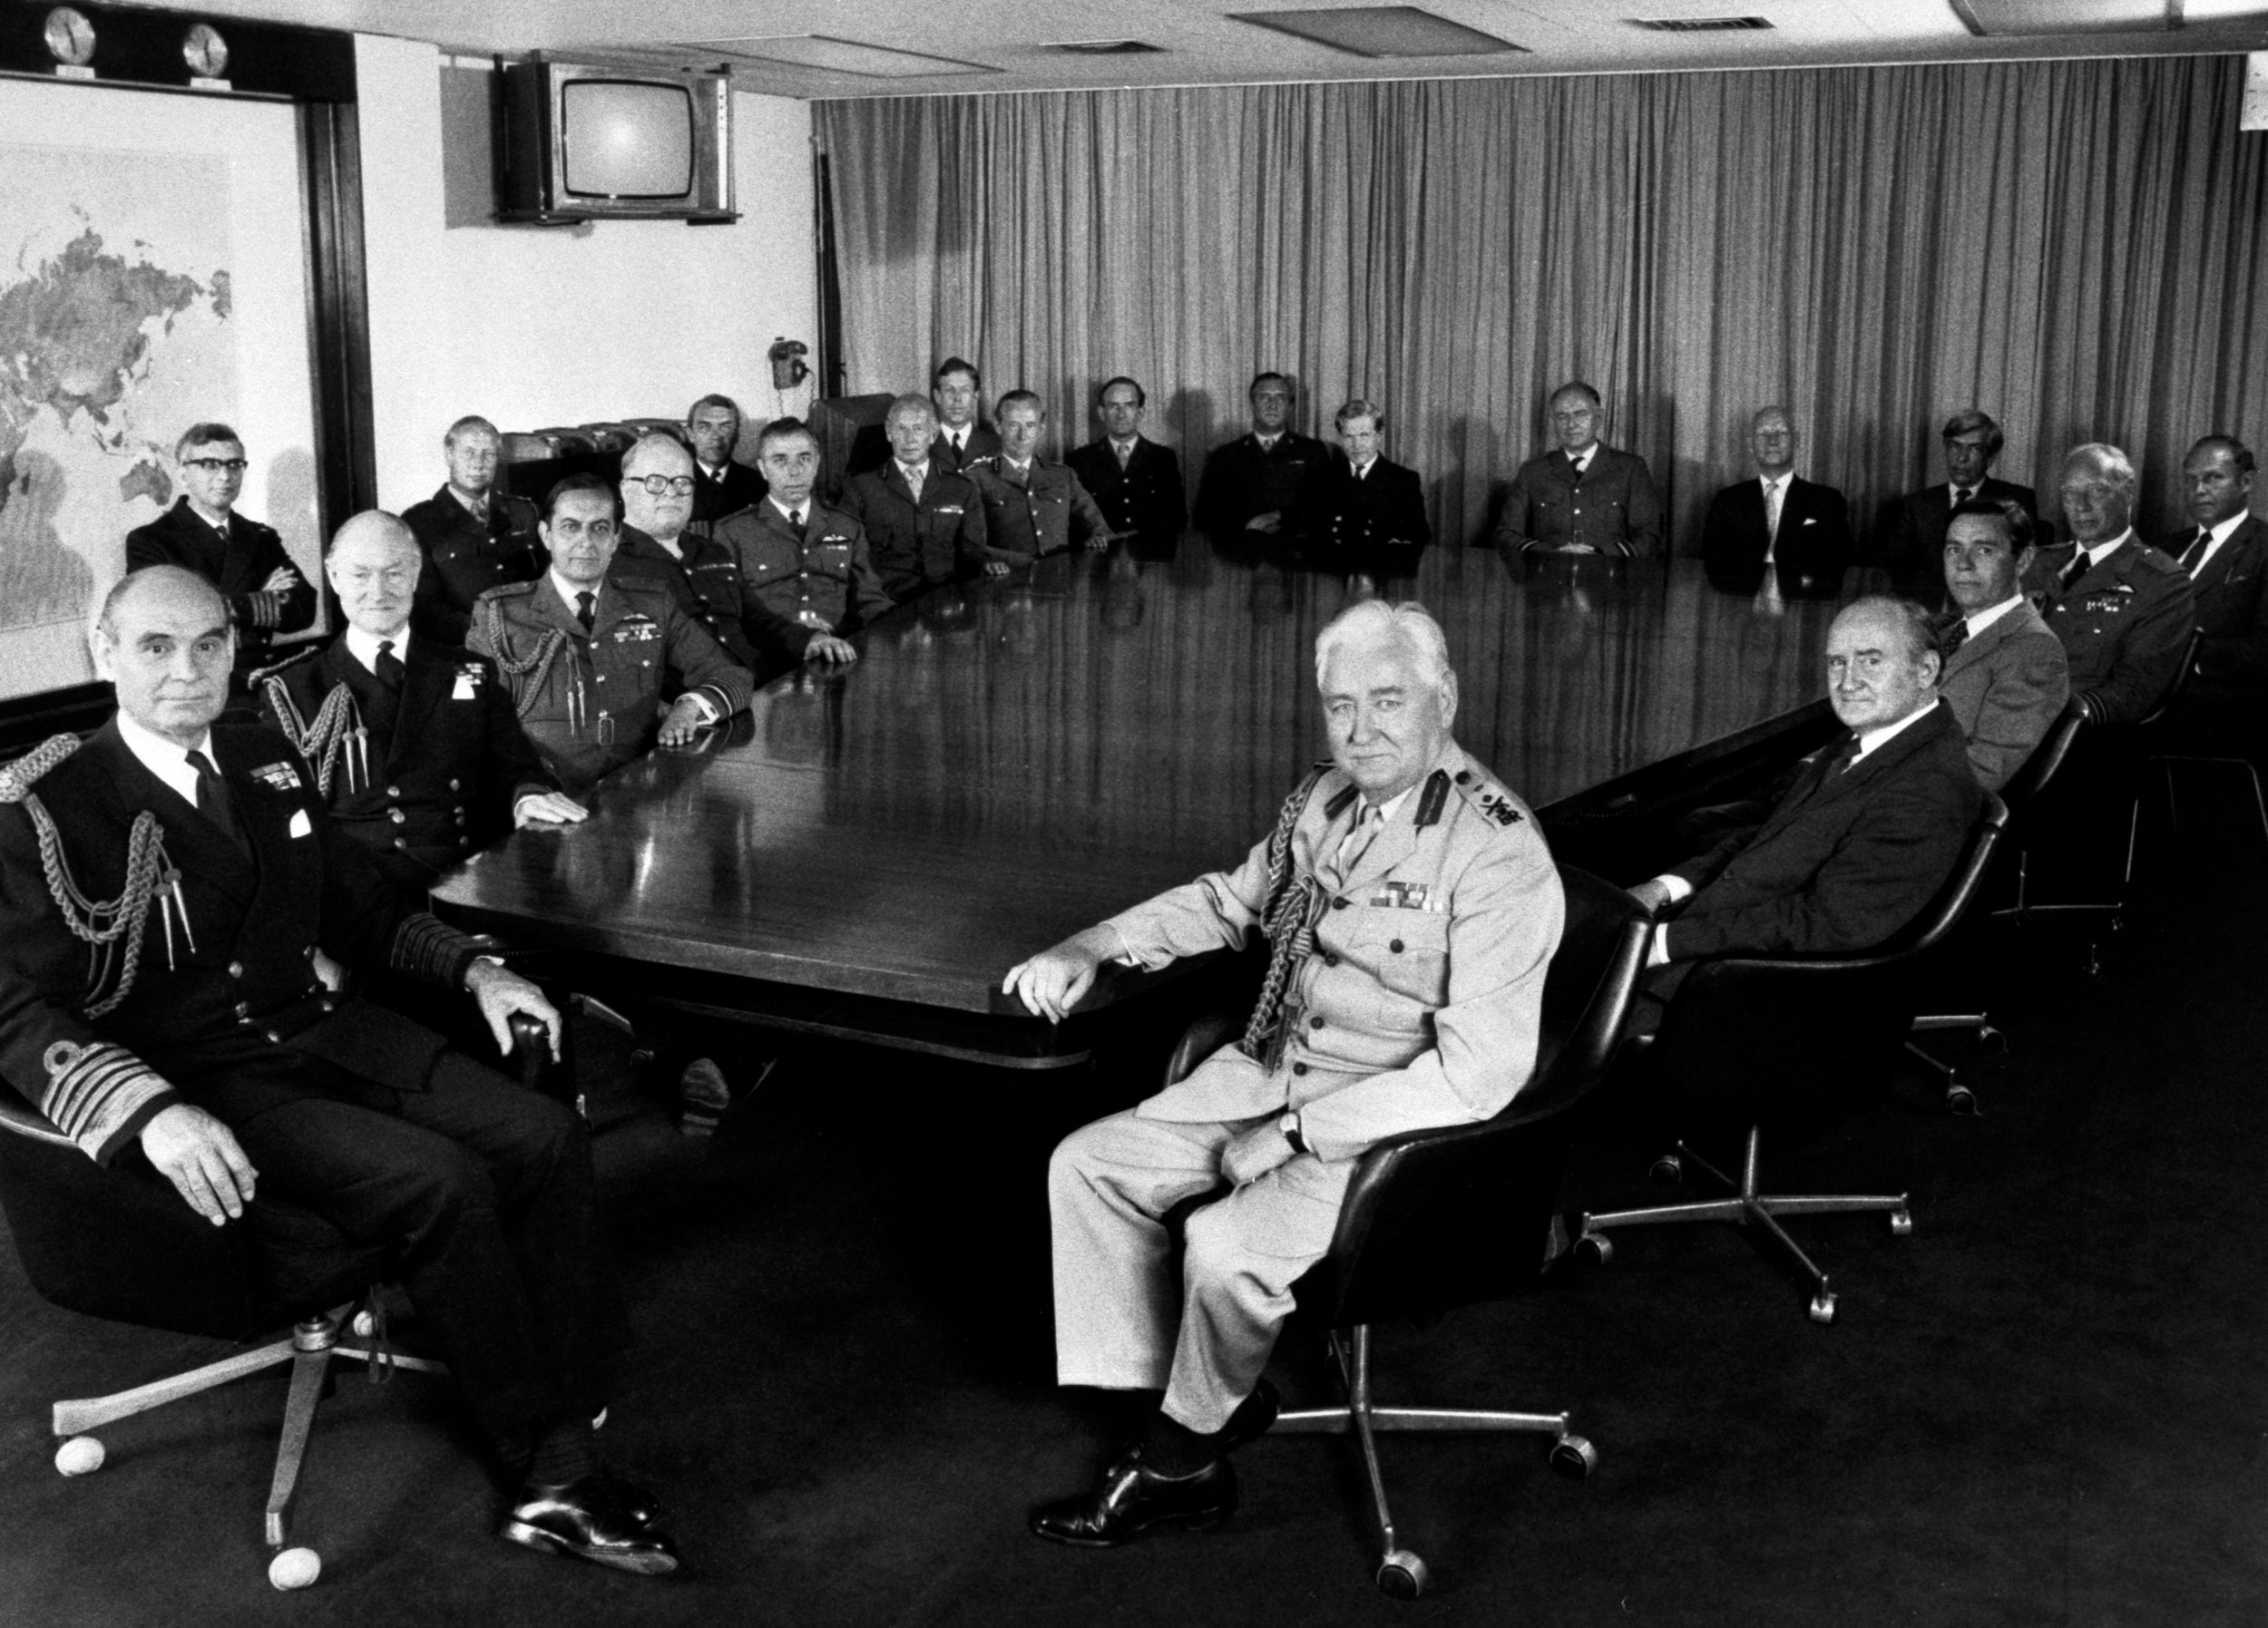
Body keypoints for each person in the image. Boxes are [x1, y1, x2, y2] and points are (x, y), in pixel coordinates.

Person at [0, 565, 676, 1574]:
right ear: (104, 653)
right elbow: (11, 1005)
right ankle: (548, 1480)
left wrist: (475, 969)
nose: (186, 671)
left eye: (208, 646)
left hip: (323, 1031)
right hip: (207, 1081)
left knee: (539, 1131)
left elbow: (355, 905)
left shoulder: (264, 755)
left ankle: (568, 1388)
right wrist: (147, 1112)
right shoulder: (44, 807)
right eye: (154, 647)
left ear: (234, 649)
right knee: (438, 1182)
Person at [1006, 600, 1563, 1547]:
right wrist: (1092, 945)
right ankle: (1190, 1406)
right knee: (1086, 1165)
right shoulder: (1323, 798)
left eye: (1388, 701)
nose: (1361, 730)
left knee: (1225, 1250)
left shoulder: (1496, 851)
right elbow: (1230, 901)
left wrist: (1299, 1134)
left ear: (1445, 700)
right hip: (1270, 1068)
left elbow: (1475, 1078)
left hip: (1387, 1121)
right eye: (1340, 706)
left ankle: (1177, 1463)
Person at [1629, 596, 1985, 997]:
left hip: (1735, 986)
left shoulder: (1926, 789)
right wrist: (1665, 886)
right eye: (1837, 662)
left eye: (1871, 661)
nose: (1847, 682)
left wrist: (1663, 944)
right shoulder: (1871, 738)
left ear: (1925, 670)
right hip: (1715, 935)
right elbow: (1772, 836)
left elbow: (1824, 923)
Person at [253, 512, 584, 904]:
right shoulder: (294, 690)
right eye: (360, 575)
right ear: (333, 576)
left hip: (468, 882)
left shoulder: (469, 670)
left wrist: (527, 798)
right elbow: (284, 825)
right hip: (362, 897)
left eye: (394, 573)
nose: (378, 591)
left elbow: (517, 766)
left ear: (415, 575)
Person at [467, 475, 754, 792]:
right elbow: (471, 719)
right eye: (570, 527)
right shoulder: (499, 613)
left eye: (600, 528)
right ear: (546, 535)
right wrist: (527, 791)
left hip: (640, 794)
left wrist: (688, 709)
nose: (586, 541)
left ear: (616, 539)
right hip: (547, 795)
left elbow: (731, 675)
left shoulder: (652, 603)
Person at [2019, 444, 2195, 726]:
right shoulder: (2036, 564)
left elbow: (2133, 693)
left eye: (2097, 491)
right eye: (2070, 493)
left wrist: (2050, 715)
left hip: (2075, 736)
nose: (2081, 505)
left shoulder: (2162, 582)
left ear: (2127, 491)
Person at [125, 423, 314, 685]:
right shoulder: (151, 541)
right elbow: (168, 622)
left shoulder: (260, 537)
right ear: (183, 475)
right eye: (209, 465)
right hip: (195, 682)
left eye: (234, 464)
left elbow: (303, 610)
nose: (225, 476)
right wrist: (260, 599)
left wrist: (226, 605)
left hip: (261, 679)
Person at [716, 418, 889, 674]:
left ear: (817, 463)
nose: (794, 471)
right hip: (771, 663)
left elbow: (870, 600)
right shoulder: (733, 532)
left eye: (804, 458)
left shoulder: (846, 526)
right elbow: (729, 616)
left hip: (841, 657)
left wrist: (896, 634)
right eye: (780, 460)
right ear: (762, 468)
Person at [1934, 500, 2070, 793]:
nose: (1963, 564)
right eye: (1954, 549)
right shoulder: (1947, 633)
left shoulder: (2036, 651)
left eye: (1984, 550)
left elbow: (1982, 775)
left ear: (2022, 561)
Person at [611, 434, 762, 668]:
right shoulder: (607, 565)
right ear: (626, 490)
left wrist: (811, 640)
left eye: (682, 482)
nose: (671, 492)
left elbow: (761, 621)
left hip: (760, 681)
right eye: (655, 481)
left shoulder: (712, 552)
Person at [2159, 434, 2266, 754]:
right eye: (2190, 480)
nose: (2199, 489)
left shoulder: (2263, 549)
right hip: (2142, 692)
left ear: (2246, 482)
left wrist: (2182, 658)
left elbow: (2263, 649)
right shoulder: (2166, 548)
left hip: (2216, 708)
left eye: (2213, 478)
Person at [399, 416, 547, 645]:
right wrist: (494, 635)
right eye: (469, 452)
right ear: (449, 455)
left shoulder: (524, 512)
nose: (479, 463)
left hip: (530, 644)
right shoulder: (419, 522)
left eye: (488, 454)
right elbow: (426, 611)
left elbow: (547, 584)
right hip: (462, 648)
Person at [841, 395, 989, 603]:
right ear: (889, 433)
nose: (909, 439)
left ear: (933, 434)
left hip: (947, 602)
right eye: (901, 429)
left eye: (918, 429)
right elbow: (850, 561)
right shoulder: (861, 488)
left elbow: (973, 556)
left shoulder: (961, 489)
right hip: (887, 604)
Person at [1491, 382, 1663, 558]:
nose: (1571, 424)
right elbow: (1506, 534)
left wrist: (1600, 554)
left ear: (1599, 417)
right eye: (1562, 417)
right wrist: (1552, 553)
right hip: (1547, 576)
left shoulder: (1630, 469)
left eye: (1580, 415)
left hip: (1610, 578)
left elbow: (1649, 537)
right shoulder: (1533, 471)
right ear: (1553, 422)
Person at [1881, 409, 2045, 591]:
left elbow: (2025, 569)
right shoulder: (1915, 505)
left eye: (1974, 449)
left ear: (1990, 458)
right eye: (1955, 446)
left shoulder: (2016, 500)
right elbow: (1896, 574)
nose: (1961, 458)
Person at [1698, 407, 1852, 593]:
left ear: (1797, 441)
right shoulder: (1727, 500)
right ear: (1750, 444)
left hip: (1803, 602)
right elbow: (1713, 561)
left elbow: (1836, 563)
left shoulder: (1827, 501)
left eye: (1781, 432)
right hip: (1739, 601)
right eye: (1763, 433)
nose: (1773, 441)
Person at [963, 390, 1113, 567]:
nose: (1022, 435)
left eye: (1030, 425)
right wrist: (1019, 563)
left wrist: (1098, 539)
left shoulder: (1062, 476)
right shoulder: (977, 477)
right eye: (1013, 425)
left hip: (1059, 581)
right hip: (1008, 581)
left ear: (1041, 429)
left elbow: (1100, 529)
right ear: (998, 426)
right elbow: (973, 545)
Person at [1294, 399, 1431, 583]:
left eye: (1364, 435)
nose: (1357, 445)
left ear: (1379, 435)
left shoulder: (1403, 480)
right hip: (1332, 576)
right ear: (1340, 438)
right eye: (1349, 437)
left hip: (1381, 575)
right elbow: (1307, 529)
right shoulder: (1322, 477)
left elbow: (1419, 535)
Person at [1192, 373, 1328, 538]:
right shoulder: (1225, 455)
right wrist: (1251, 526)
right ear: (1252, 404)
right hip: (1239, 554)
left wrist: (1279, 517)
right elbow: (1205, 515)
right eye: (1264, 397)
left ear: (1290, 406)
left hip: (1294, 554)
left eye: (1281, 397)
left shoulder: (1312, 451)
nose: (1272, 405)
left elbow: (1322, 507)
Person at [1067, 378, 1187, 551]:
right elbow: (1071, 519)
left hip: (1151, 558)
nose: (1121, 414)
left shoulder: (1163, 458)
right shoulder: (1079, 459)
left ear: (1141, 412)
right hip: (1099, 559)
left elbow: (1177, 517)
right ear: (1102, 413)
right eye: (1113, 406)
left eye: (1129, 406)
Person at [684, 394, 767, 531]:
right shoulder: (676, 483)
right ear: (691, 434)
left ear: (736, 435)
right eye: (705, 427)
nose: (716, 436)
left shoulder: (759, 483)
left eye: (725, 427)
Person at [929, 357, 1001, 473]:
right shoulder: (923, 443)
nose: (957, 398)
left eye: (965, 390)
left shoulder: (995, 445)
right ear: (937, 396)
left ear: (976, 395)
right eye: (949, 390)